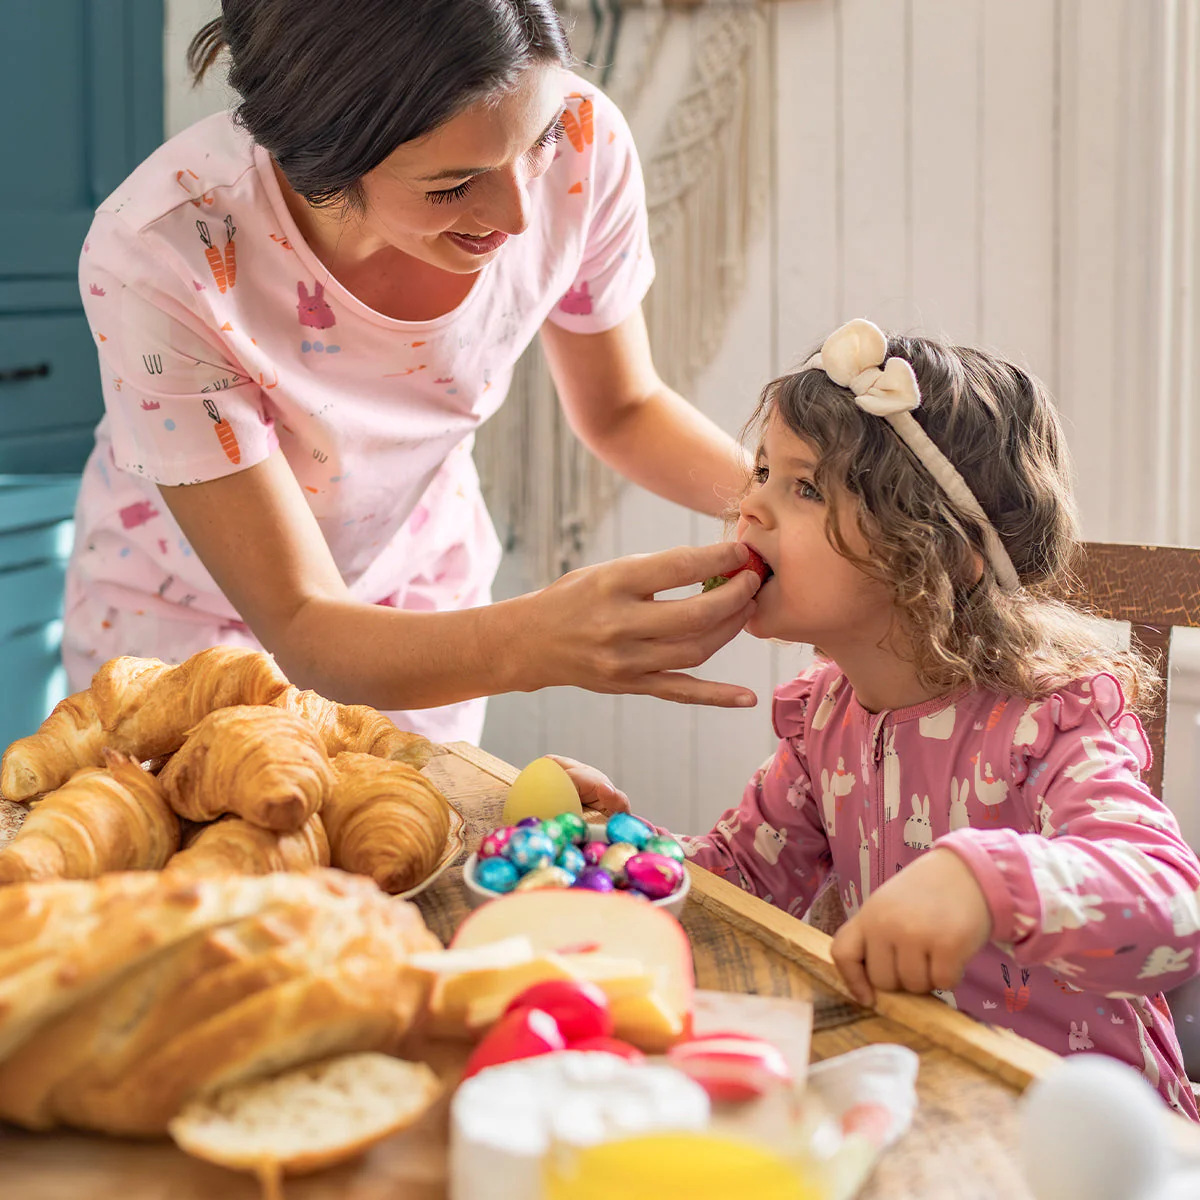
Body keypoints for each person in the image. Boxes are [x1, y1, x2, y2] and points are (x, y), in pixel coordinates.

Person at [65, 0, 761, 744]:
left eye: (539, 140)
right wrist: (538, 640)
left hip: (422, 587)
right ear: (322, 160)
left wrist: (790, 508)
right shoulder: (163, 252)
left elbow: (622, 408)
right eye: (453, 187)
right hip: (185, 612)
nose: (522, 213)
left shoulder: (583, 143)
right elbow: (303, 622)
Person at [564, 318, 1200, 1117]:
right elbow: (741, 877)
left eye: (803, 487)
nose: (748, 507)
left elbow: (1174, 909)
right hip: (922, 1100)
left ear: (938, 552)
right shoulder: (827, 717)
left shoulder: (1047, 726)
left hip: (1081, 1136)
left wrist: (988, 881)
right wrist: (616, 846)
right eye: (761, 471)